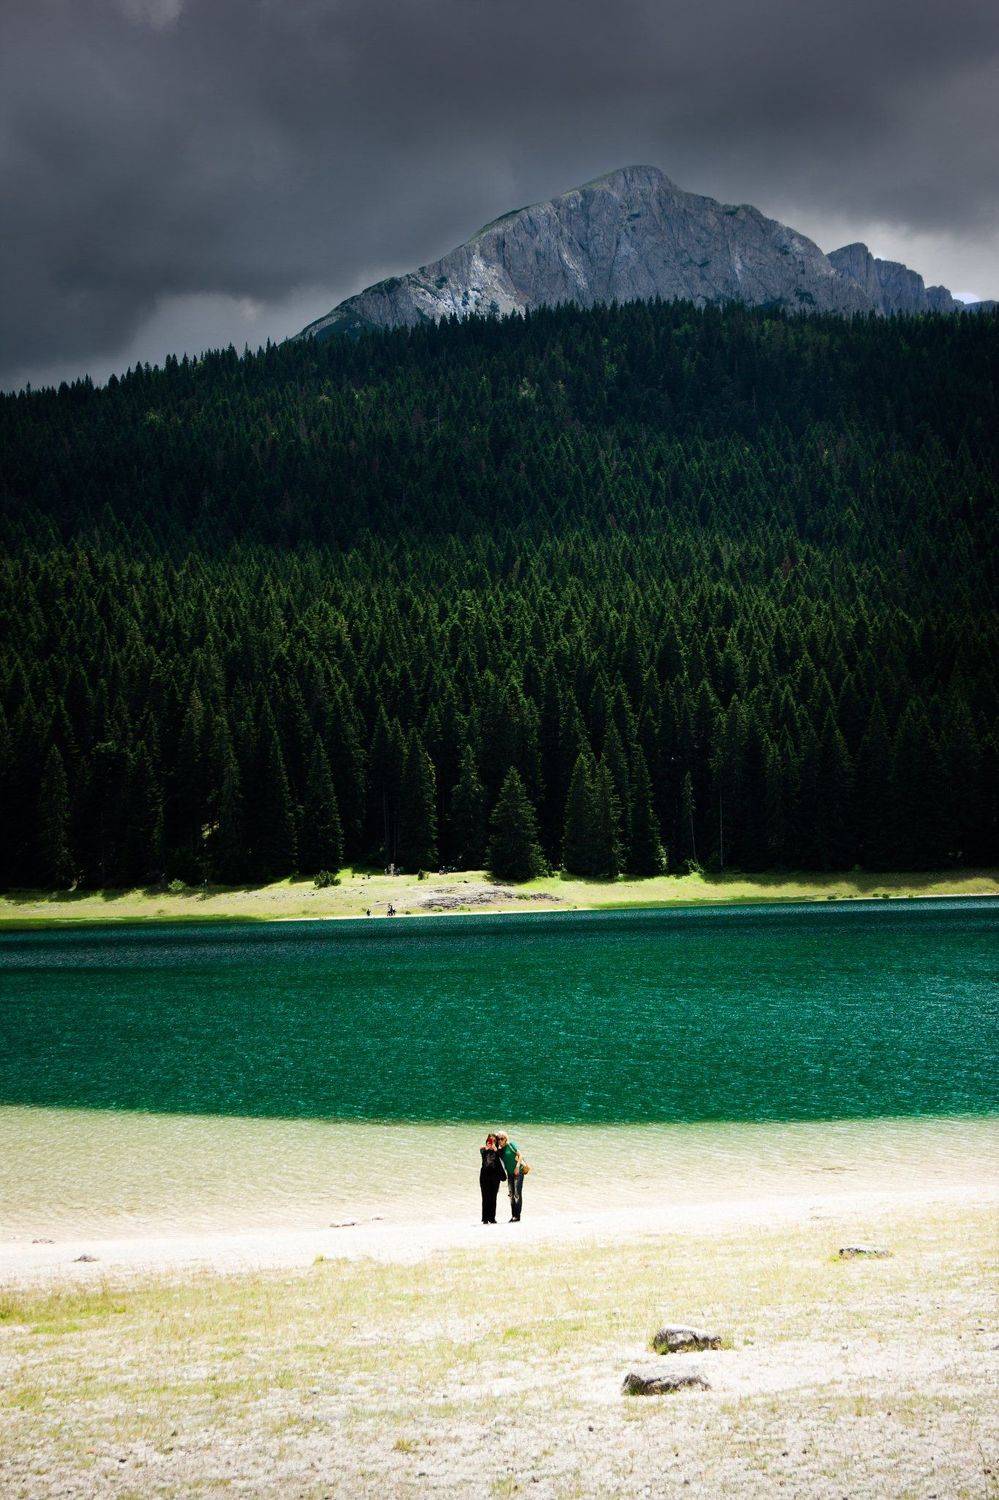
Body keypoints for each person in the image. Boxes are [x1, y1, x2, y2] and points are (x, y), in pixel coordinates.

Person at [495, 1131, 525, 1221]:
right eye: (498, 1139)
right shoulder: (500, 1151)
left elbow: (520, 1155)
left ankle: (517, 1216)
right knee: (511, 1195)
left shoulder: (511, 1145)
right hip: (509, 1174)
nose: (500, 1141)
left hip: (518, 1172)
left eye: (502, 1139)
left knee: (517, 1194)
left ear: (505, 1139)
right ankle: (513, 1215)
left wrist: (517, 1167)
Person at [478, 1133, 506, 1224]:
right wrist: (487, 1148)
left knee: (493, 1197)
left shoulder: (499, 1151)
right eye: (490, 1141)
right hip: (484, 1176)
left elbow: (501, 1157)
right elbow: (482, 1151)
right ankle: (485, 1218)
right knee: (485, 1197)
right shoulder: (483, 1150)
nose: (492, 1142)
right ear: (487, 1141)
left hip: (495, 1176)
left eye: (494, 1141)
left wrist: (496, 1150)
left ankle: (492, 1218)